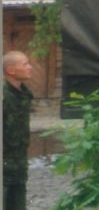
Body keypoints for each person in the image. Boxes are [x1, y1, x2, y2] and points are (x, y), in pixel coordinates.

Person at [3, 51, 34, 210]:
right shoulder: (4, 97)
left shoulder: (23, 95)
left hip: (18, 166)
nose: (30, 67)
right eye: (25, 64)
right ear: (11, 70)